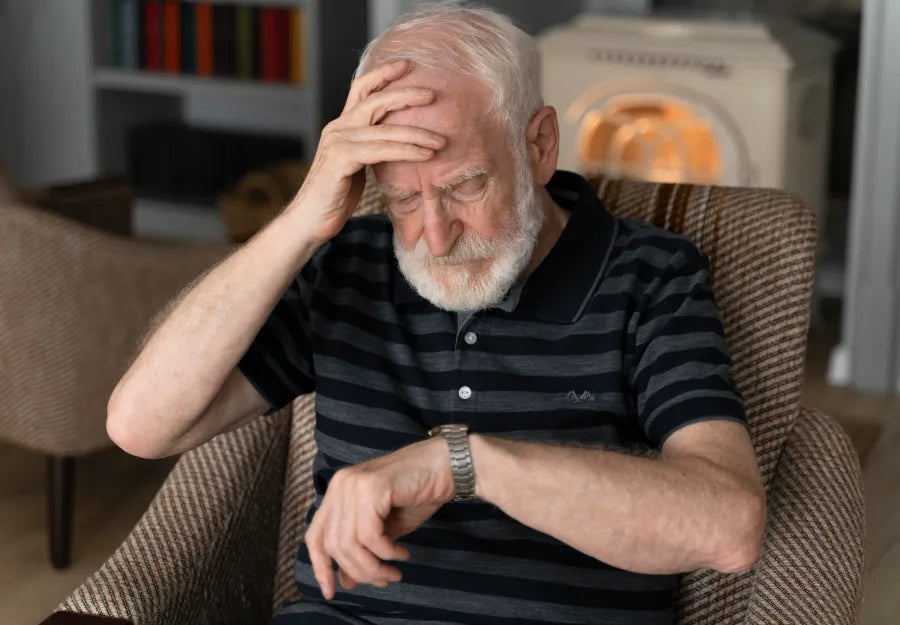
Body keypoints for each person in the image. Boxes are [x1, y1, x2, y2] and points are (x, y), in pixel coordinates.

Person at [107, 4, 766, 624]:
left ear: (538, 146)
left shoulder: (651, 275)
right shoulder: (350, 263)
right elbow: (141, 425)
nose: (436, 236)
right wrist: (301, 222)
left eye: (464, 186)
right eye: (402, 200)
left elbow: (730, 527)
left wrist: (462, 465)